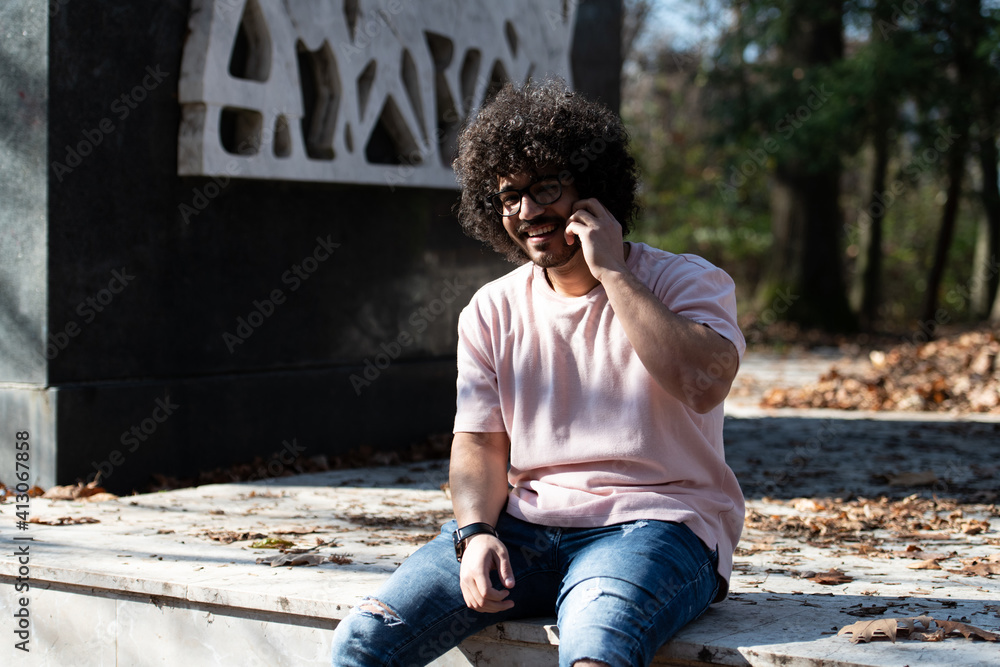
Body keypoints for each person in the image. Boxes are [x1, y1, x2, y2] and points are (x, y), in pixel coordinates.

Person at [330, 79, 745, 667]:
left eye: (545, 187)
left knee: (594, 654)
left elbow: (702, 384)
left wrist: (613, 273)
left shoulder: (684, 281)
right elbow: (477, 442)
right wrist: (474, 535)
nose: (527, 212)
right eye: (509, 197)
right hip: (522, 531)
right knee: (363, 641)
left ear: (593, 189)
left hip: (658, 525)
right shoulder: (491, 309)